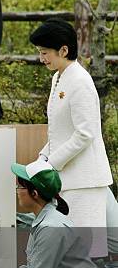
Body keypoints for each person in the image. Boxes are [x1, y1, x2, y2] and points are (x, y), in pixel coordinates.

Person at [29, 19, 112, 240]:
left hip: (85, 181)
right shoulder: (58, 76)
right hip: (67, 179)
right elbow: (59, 130)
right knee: (68, 251)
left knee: (86, 251)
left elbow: (85, 133)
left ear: (64, 50)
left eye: (45, 52)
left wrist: (51, 163)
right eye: (39, 52)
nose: (41, 58)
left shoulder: (80, 81)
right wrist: (43, 157)